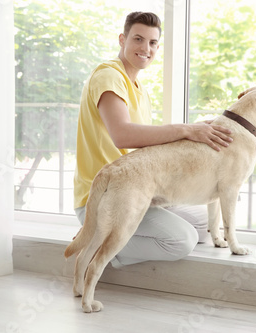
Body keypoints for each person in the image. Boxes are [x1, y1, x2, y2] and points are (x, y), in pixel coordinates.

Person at [73, 11, 233, 268]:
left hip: (135, 190)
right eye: (138, 39)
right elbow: (122, 135)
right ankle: (96, 246)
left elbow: (145, 142)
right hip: (104, 199)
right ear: (122, 39)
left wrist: (194, 130)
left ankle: (108, 240)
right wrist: (185, 130)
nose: (145, 48)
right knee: (183, 240)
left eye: (152, 42)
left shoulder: (140, 89)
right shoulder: (108, 76)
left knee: (203, 224)